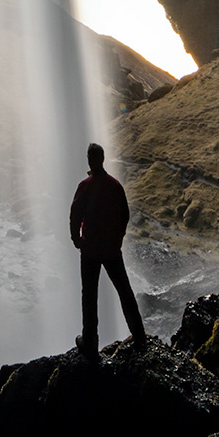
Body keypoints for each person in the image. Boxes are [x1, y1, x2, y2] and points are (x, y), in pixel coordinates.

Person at [69, 141, 146, 363]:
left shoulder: (85, 186)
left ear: (90, 159)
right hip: (112, 249)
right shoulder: (114, 186)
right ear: (102, 159)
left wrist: (77, 239)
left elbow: (75, 214)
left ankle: (90, 342)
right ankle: (140, 335)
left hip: (91, 249)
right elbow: (125, 214)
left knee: (89, 295)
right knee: (124, 290)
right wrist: (118, 239)